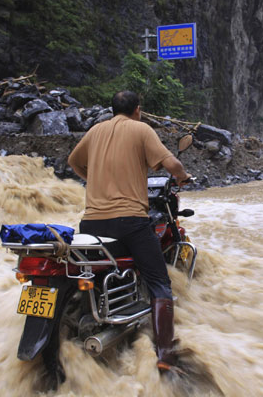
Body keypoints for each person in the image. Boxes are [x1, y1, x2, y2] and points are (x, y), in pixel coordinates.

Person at [67, 90, 191, 372]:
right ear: (137, 109)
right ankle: (165, 355)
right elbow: (172, 164)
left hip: (91, 224)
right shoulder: (140, 129)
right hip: (130, 222)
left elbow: (73, 162)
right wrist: (184, 177)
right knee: (160, 283)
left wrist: (92, 179)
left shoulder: (95, 131)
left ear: (113, 110)